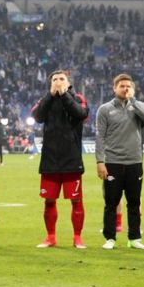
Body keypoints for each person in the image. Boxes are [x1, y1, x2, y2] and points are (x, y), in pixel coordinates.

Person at [31, 70, 89, 249]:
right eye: (54, 79)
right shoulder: (45, 100)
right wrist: (50, 95)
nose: (57, 82)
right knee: (49, 200)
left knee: (76, 200)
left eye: (61, 79)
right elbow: (37, 116)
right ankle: (50, 237)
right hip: (50, 159)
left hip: (71, 158)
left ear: (68, 82)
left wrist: (64, 96)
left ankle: (77, 238)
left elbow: (81, 114)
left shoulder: (77, 97)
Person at [95, 73, 144, 250]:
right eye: (122, 86)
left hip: (135, 162)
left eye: (128, 86)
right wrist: (99, 161)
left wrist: (133, 101)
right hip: (113, 162)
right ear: (114, 88)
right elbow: (100, 137)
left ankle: (134, 238)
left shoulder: (137, 107)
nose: (125, 89)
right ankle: (110, 238)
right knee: (111, 202)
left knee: (134, 202)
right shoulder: (105, 109)